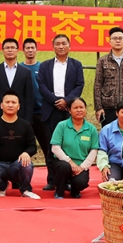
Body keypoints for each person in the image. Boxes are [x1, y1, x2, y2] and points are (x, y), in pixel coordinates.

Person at [37, 34, 85, 190]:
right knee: (51, 145)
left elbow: (79, 85)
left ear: (69, 46)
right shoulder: (45, 66)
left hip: (69, 111)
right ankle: (52, 180)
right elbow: (41, 86)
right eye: (57, 44)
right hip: (50, 110)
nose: (61, 46)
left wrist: (67, 101)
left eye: (64, 43)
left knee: (69, 145)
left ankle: (69, 179)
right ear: (53, 47)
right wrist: (55, 100)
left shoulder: (76, 65)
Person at [0, 90, 40, 199]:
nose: (10, 105)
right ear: (1, 105)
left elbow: (33, 146)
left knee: (27, 165)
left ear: (18, 106)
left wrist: (27, 153)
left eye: (13, 102)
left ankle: (26, 190)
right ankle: (2, 185)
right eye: (7, 102)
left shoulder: (26, 125)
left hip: (17, 164)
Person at [50, 97, 98, 199]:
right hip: (62, 162)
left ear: (85, 109)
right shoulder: (62, 126)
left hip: (81, 164)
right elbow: (55, 148)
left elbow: (94, 150)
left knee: (81, 182)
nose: (79, 110)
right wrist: (70, 163)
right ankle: (59, 192)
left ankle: (74, 190)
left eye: (81, 107)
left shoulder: (91, 129)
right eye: (75, 108)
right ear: (69, 110)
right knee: (64, 167)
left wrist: (82, 167)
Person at [93, 27, 123, 127]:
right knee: (109, 134)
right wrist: (98, 108)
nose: (118, 40)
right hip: (108, 107)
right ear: (110, 41)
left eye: (120, 38)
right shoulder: (103, 61)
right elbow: (98, 85)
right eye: (115, 38)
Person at [0, 38, 34, 123]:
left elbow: (29, 97)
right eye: (7, 48)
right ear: (3, 50)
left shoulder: (26, 72)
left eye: (12, 47)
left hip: (20, 117)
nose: (10, 50)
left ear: (17, 50)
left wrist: (28, 119)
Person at [19, 38, 51, 162]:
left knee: (47, 146)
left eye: (32, 48)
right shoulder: (19, 68)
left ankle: (51, 173)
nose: (30, 50)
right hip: (24, 114)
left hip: (41, 113)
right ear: (23, 51)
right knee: (22, 147)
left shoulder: (43, 67)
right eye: (27, 48)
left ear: (37, 50)